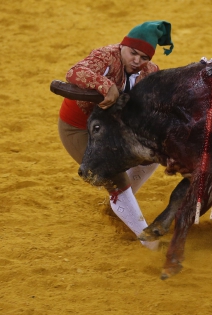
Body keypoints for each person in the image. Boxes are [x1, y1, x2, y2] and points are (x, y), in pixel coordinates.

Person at [57, 21, 174, 250]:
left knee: (154, 153)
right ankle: (150, 243)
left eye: (144, 57)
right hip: (79, 127)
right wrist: (104, 84)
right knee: (116, 178)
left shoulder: (151, 73)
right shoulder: (106, 56)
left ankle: (120, 204)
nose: (137, 61)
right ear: (123, 45)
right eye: (132, 53)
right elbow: (74, 72)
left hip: (115, 132)